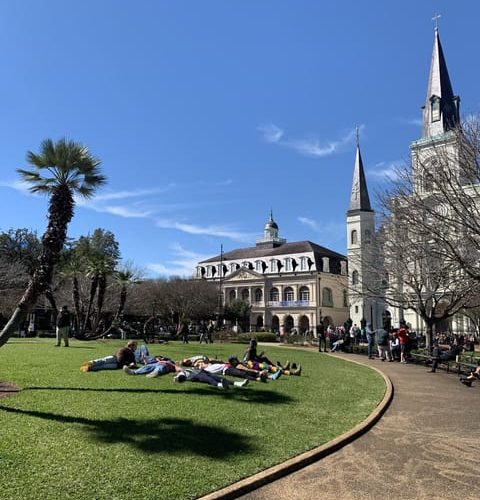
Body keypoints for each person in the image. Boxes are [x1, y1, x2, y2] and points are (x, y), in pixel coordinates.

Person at [174, 368, 249, 389]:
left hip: (202, 371)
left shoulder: (185, 370)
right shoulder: (182, 374)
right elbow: (180, 378)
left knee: (219, 378)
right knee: (210, 380)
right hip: (197, 374)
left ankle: (239, 384)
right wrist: (177, 378)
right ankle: (221, 385)